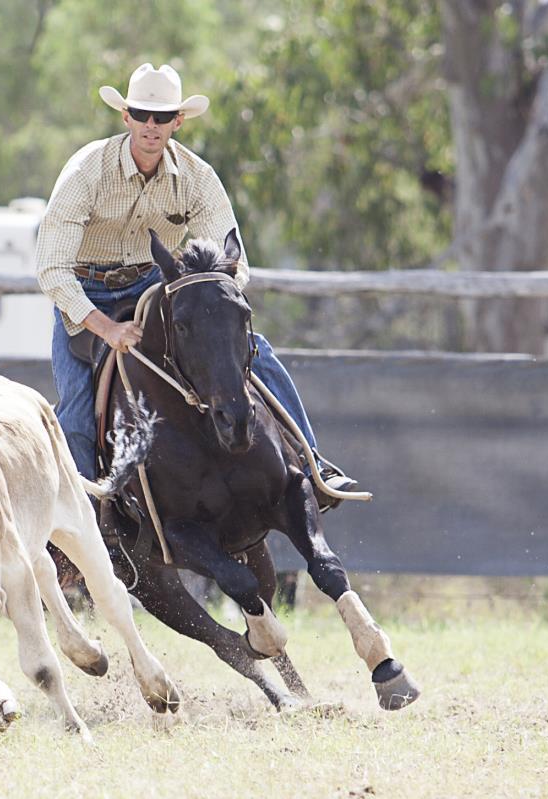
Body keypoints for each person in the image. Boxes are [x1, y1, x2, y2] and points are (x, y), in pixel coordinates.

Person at [35, 62, 355, 512]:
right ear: (126, 117)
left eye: (163, 116)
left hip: (154, 286)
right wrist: (106, 328)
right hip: (85, 292)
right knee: (76, 407)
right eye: (142, 114)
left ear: (178, 122)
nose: (151, 125)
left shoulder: (198, 178)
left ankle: (313, 464)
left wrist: (212, 309)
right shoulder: (87, 171)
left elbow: (234, 260)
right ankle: (83, 514)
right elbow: (52, 269)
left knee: (254, 351)